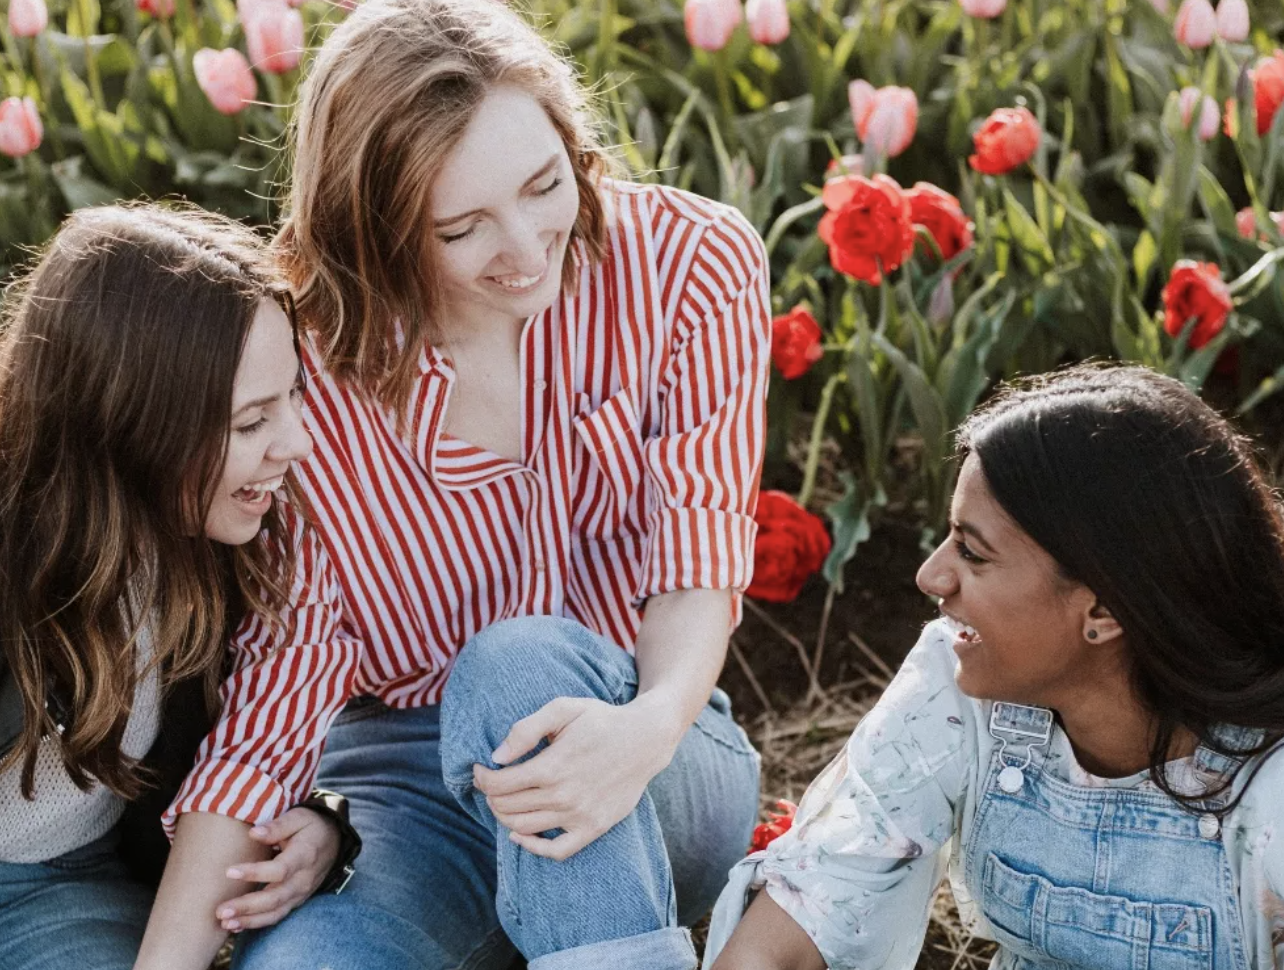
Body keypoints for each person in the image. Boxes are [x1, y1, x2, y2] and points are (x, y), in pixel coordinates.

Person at [199, 0, 772, 967]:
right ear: (373, 234)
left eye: (545, 184)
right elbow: (284, 668)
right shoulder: (308, 365)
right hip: (407, 782)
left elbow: (698, 554)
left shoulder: (690, 264)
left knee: (517, 665)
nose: (526, 248)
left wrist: (647, 726)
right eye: (462, 228)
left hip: (650, 735)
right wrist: (316, 813)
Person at [705, 363, 1284, 970]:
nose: (930, 576)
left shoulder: (1269, 785)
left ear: (1105, 609)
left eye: (973, 553)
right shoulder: (959, 684)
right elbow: (818, 893)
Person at [0, 204, 358, 970]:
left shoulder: (252, 544)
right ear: (135, 426)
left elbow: (260, 744)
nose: (297, 442)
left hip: (60, 887)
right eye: (253, 420)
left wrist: (319, 822)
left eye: (292, 397)